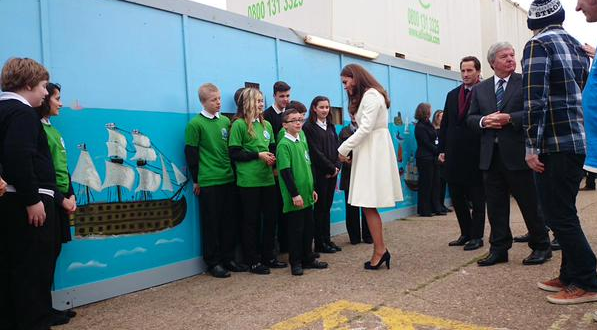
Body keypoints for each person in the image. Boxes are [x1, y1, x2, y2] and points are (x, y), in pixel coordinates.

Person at [524, 0, 596, 304]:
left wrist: (530, 146)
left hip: (553, 143)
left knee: (557, 215)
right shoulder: (578, 47)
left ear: (534, 21)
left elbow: (534, 100)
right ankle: (569, 274)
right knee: (565, 211)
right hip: (578, 142)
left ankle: (589, 280)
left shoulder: (537, 45)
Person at [466, 42, 551, 267]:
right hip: (490, 157)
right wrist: (485, 121)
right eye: (505, 56)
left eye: (512, 55)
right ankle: (499, 249)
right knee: (495, 207)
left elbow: (535, 111)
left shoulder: (524, 82)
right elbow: (471, 119)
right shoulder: (480, 89)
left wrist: (509, 118)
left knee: (530, 204)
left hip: (518, 155)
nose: (511, 59)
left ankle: (542, 246)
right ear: (493, 62)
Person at [0, 57, 58, 330]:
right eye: (44, 87)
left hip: (9, 199)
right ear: (28, 84)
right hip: (24, 200)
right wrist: (32, 199)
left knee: (13, 267)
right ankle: (34, 322)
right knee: (31, 268)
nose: (46, 93)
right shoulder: (22, 113)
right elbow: (17, 157)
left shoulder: (3, 110)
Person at [337, 63, 403, 270]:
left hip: (373, 151)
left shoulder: (372, 96)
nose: (345, 87)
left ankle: (380, 250)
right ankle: (380, 249)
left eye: (346, 82)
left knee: (367, 203)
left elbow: (365, 128)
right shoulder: (370, 96)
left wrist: (343, 148)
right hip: (369, 150)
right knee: (366, 203)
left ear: (355, 78)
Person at [185, 83, 247, 278]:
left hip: (228, 178)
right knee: (212, 223)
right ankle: (214, 262)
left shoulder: (226, 122)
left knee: (229, 222)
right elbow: (191, 154)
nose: (219, 102)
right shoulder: (195, 124)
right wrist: (196, 180)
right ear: (203, 101)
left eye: (219, 98)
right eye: (214, 100)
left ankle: (229, 258)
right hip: (209, 180)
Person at [228, 87, 287, 274]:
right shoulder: (238, 125)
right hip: (249, 182)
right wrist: (258, 155)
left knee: (270, 220)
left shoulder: (267, 125)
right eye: (258, 101)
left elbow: (271, 148)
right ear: (247, 103)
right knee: (251, 222)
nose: (261, 104)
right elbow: (234, 153)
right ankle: (252, 260)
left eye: (262, 101)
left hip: (267, 179)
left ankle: (269, 256)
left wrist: (272, 159)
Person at [34, 82, 78, 322]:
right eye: (57, 98)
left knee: (53, 251)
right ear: (45, 99)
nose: (60, 103)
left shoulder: (54, 131)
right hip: (48, 198)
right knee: (43, 255)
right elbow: (43, 170)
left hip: (60, 198)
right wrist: (61, 199)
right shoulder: (37, 130)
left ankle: (46, 308)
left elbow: (62, 169)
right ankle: (40, 311)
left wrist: (70, 195)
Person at [439, 56, 486, 251]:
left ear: (477, 72)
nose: (466, 75)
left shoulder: (485, 92)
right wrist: (441, 149)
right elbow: (445, 124)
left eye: (469, 71)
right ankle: (465, 232)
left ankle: (477, 236)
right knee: (457, 197)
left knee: (476, 197)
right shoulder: (452, 95)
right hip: (454, 155)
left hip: (476, 154)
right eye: (463, 71)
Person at [276, 108, 328, 275]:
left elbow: (307, 166)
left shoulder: (301, 140)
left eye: (300, 119)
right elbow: (285, 172)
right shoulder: (284, 144)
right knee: (296, 230)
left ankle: (308, 258)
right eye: (293, 120)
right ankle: (296, 262)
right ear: (285, 125)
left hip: (307, 194)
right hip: (296, 197)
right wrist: (294, 194)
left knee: (308, 229)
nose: (298, 122)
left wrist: (311, 189)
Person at [303, 96, 342, 254]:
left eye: (327, 107)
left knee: (327, 208)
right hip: (320, 175)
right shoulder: (309, 128)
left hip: (332, 174)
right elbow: (315, 152)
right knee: (319, 210)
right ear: (314, 108)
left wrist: (337, 167)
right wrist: (330, 169)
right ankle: (319, 243)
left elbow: (338, 148)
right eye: (321, 107)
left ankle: (327, 239)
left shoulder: (331, 127)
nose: (325, 110)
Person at [263, 81, 291, 254]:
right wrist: (274, 167)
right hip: (274, 171)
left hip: (289, 169)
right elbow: (269, 144)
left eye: (288, 95)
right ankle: (275, 249)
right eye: (282, 96)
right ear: (274, 96)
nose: (285, 99)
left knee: (287, 209)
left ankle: (287, 245)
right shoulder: (267, 116)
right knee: (274, 211)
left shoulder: (291, 113)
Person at [339, 113, 372, 245]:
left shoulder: (368, 131)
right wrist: (348, 160)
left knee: (367, 206)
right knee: (351, 207)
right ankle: (354, 237)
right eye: (352, 114)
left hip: (365, 173)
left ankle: (368, 235)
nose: (354, 116)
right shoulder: (344, 132)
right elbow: (342, 151)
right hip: (349, 174)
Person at [414, 103, 445, 217]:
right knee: (426, 184)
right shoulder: (420, 126)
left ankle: (435, 207)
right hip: (424, 158)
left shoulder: (428, 125)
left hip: (433, 157)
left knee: (435, 183)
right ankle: (424, 209)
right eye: (429, 109)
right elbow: (426, 143)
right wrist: (438, 151)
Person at [432, 110, 450, 213]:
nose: (442, 119)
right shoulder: (434, 130)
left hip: (445, 158)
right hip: (437, 159)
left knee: (444, 183)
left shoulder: (445, 130)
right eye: (440, 117)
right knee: (438, 183)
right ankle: (437, 204)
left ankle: (442, 204)